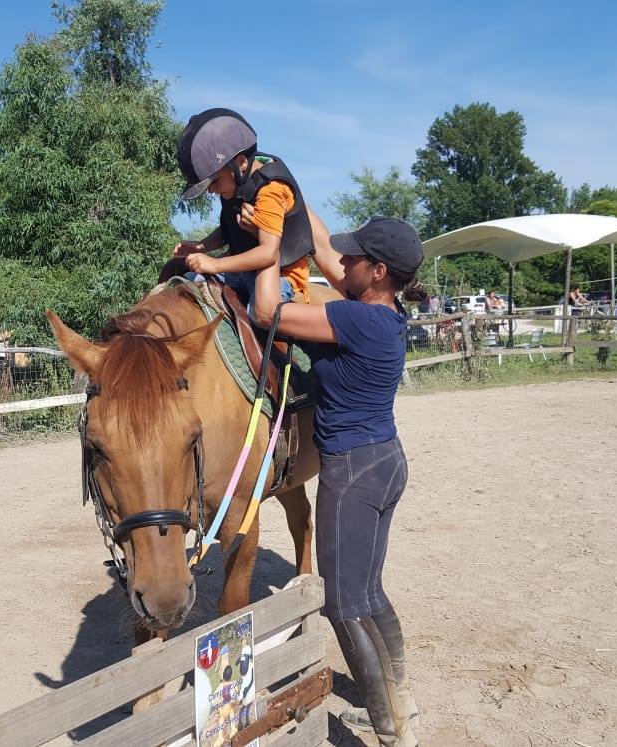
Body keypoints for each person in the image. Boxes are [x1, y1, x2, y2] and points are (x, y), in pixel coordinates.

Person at [245, 205, 421, 746]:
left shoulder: (355, 318)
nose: (342, 263)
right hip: (385, 459)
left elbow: (266, 310)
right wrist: (286, 199)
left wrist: (268, 243)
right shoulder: (383, 313)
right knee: (369, 591)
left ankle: (391, 731)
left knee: (344, 605)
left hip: (353, 470)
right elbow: (325, 249)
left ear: (379, 272)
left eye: (355, 259)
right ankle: (401, 702)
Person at [168, 108, 314, 315]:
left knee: (259, 313)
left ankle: (275, 338)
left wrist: (215, 264)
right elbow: (229, 229)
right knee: (190, 282)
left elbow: (268, 253)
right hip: (243, 270)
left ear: (241, 163)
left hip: (281, 276)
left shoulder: (270, 189)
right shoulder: (233, 183)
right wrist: (201, 246)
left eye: (214, 181)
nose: (210, 190)